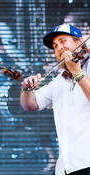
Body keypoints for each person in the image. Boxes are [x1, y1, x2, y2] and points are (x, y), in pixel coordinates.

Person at [20, 24, 90, 175]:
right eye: (55, 45)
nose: (59, 48)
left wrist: (77, 72)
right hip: (65, 166)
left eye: (63, 41)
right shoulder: (60, 80)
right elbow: (30, 105)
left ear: (80, 42)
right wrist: (26, 89)